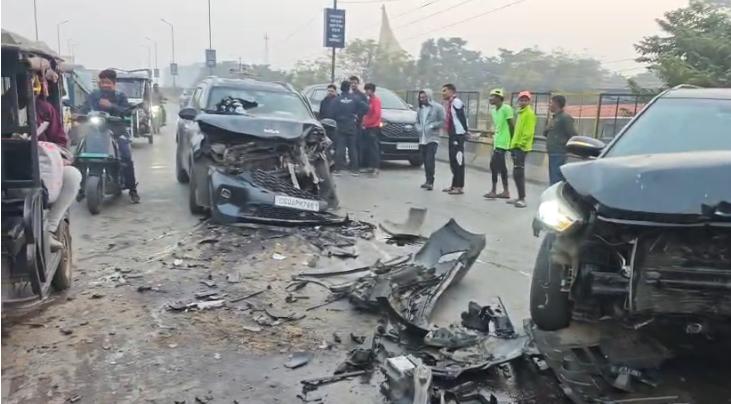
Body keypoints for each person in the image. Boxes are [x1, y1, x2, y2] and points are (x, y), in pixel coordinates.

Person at [32, 76, 83, 251]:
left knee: (72, 176)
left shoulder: (45, 110)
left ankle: (50, 228)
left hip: (43, 167)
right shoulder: (4, 107)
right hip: (8, 170)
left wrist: (59, 158)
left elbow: (59, 140)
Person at [80, 69, 140, 203]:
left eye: (107, 82)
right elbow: (84, 108)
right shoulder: (93, 96)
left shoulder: (120, 96)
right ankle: (81, 188)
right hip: (96, 131)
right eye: (102, 82)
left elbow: (127, 111)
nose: (105, 85)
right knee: (80, 156)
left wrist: (111, 106)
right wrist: (77, 114)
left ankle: (132, 190)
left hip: (117, 131)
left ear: (114, 83)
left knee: (125, 157)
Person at [333, 80, 369, 176]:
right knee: (353, 148)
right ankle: (355, 170)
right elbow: (366, 108)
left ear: (341, 88)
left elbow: (331, 111)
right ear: (349, 88)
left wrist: (338, 117)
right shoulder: (355, 99)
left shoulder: (337, 100)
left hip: (341, 125)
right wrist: (357, 115)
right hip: (352, 125)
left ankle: (337, 169)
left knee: (340, 148)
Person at [507, 91, 536, 208]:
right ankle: (519, 197)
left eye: (526, 100)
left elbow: (528, 133)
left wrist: (520, 145)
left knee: (519, 173)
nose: (523, 102)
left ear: (529, 101)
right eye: (521, 100)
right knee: (516, 173)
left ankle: (522, 198)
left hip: (521, 148)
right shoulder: (520, 113)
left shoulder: (529, 114)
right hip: (516, 146)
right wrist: (513, 145)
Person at [484, 89, 514, 200]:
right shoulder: (494, 111)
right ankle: (502, 190)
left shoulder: (506, 108)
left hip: (504, 142)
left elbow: (511, 125)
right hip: (497, 141)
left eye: (493, 96)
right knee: (497, 166)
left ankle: (497, 190)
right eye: (490, 96)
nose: (490, 98)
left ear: (499, 98)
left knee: (497, 165)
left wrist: (512, 141)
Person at [416, 89, 446, 190]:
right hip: (422, 138)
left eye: (424, 97)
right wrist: (418, 127)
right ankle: (427, 180)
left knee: (430, 160)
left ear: (429, 96)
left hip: (433, 138)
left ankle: (431, 181)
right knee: (425, 160)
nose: (422, 99)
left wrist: (432, 126)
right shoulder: (420, 109)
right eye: (420, 97)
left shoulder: (437, 108)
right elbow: (417, 121)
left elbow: (443, 121)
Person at [442, 83, 468, 195]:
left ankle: (459, 186)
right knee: (453, 160)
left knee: (458, 160)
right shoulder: (450, 103)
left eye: (445, 90)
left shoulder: (456, 102)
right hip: (452, 135)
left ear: (452, 91)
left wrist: (465, 131)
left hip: (458, 135)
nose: (443, 93)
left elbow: (462, 117)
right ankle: (454, 184)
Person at [545, 95, 577, 185]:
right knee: (553, 176)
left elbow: (572, 134)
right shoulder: (554, 118)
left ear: (556, 104)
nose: (550, 105)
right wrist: (548, 127)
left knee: (556, 178)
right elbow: (546, 133)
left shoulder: (565, 118)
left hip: (559, 152)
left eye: (551, 103)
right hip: (552, 152)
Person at [361, 83, 382, 177]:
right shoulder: (370, 100)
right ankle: (371, 166)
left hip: (373, 127)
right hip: (368, 126)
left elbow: (377, 115)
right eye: (365, 90)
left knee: (374, 148)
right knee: (369, 148)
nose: (366, 92)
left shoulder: (376, 100)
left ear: (372, 90)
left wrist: (367, 123)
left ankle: (376, 168)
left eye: (367, 90)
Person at [349, 76, 369, 172]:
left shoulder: (362, 96)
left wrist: (358, 115)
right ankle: (352, 163)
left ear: (358, 84)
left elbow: (366, 109)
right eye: (351, 83)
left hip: (359, 123)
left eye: (355, 83)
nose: (353, 84)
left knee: (358, 144)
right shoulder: (350, 95)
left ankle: (358, 164)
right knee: (351, 144)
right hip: (350, 123)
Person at [319, 84, 339, 148]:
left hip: (335, 126)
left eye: (332, 91)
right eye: (329, 91)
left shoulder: (338, 101)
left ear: (335, 92)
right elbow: (321, 113)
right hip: (325, 126)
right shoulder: (323, 102)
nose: (330, 93)